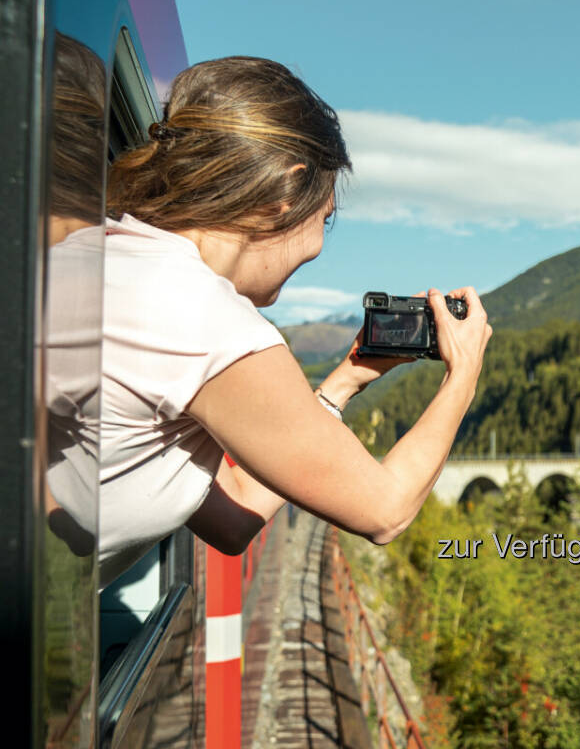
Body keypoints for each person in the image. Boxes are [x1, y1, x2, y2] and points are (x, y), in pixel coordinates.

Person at [84, 56, 492, 587]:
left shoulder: (115, 262)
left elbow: (233, 520)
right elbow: (387, 511)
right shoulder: (202, 318)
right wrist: (463, 375)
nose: (320, 246)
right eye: (324, 220)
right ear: (283, 196)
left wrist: (342, 384)